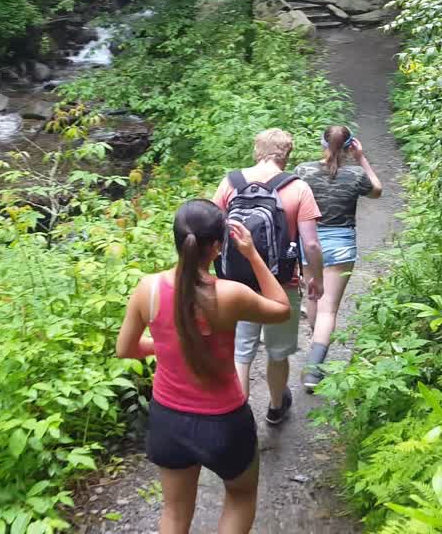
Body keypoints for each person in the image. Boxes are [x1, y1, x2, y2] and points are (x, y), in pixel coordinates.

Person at [116, 199, 293, 534]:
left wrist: (169, 344)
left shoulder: (147, 289)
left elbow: (124, 349)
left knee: (174, 512)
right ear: (217, 246)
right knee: (240, 496)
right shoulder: (230, 294)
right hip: (224, 422)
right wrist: (253, 254)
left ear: (177, 240)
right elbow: (281, 308)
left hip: (168, 419)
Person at [211, 128, 323, 424]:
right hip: (281, 282)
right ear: (286, 154)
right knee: (277, 351)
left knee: (241, 351)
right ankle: (275, 407)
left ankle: (236, 417)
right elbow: (310, 243)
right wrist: (317, 279)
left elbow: (212, 229)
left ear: (256, 150)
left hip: (236, 283)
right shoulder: (298, 188)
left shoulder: (230, 182)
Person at [294, 125, 383, 392]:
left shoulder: (302, 171)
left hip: (309, 241)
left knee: (312, 296)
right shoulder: (356, 175)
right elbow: (377, 190)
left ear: (322, 143)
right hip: (341, 244)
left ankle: (315, 346)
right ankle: (314, 370)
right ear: (349, 146)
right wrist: (362, 159)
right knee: (329, 308)